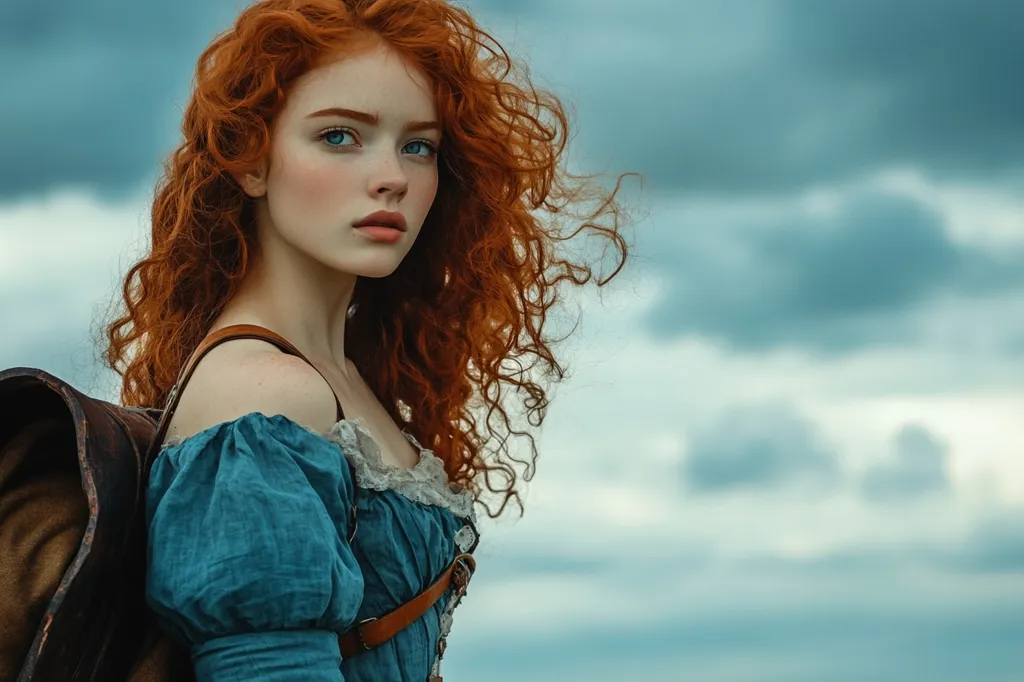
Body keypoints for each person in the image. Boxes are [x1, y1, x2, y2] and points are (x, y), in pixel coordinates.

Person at [98, 0, 636, 679]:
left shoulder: (342, 381)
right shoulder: (263, 395)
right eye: (341, 137)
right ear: (253, 161)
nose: (393, 177)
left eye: (419, 147)